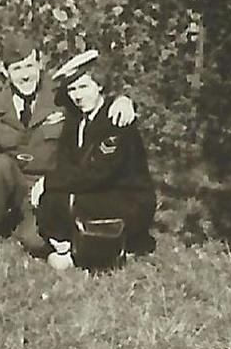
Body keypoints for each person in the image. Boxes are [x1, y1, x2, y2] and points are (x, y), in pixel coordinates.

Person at [0, 33, 139, 254]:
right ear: (5, 72)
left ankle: (24, 223)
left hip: (49, 186)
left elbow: (94, 96)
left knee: (37, 243)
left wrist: (124, 100)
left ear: (40, 64)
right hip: (13, 181)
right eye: (17, 69)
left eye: (29, 66)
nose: (25, 76)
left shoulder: (60, 95)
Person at [35, 49, 156, 270]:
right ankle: (71, 244)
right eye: (72, 89)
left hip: (128, 198)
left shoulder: (116, 118)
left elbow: (97, 172)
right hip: (97, 191)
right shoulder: (75, 119)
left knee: (70, 200)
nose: (77, 96)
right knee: (54, 199)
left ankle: (111, 249)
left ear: (99, 85)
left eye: (83, 87)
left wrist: (48, 182)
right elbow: (68, 164)